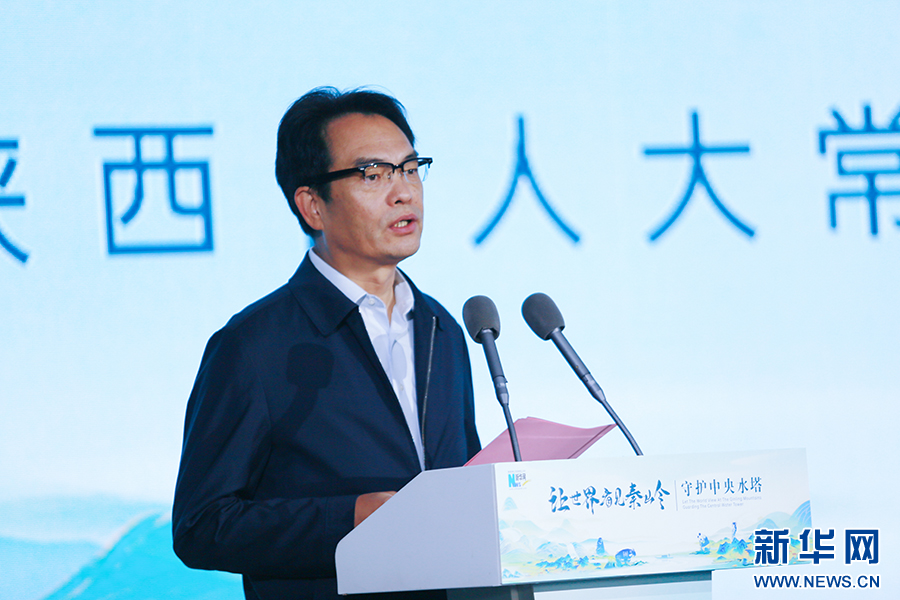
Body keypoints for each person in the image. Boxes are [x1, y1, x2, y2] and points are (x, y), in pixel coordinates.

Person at [172, 87, 481, 600]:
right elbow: (201, 525)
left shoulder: (441, 329)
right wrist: (350, 518)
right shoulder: (254, 346)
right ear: (313, 205)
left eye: (410, 168)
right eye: (373, 175)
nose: (404, 192)